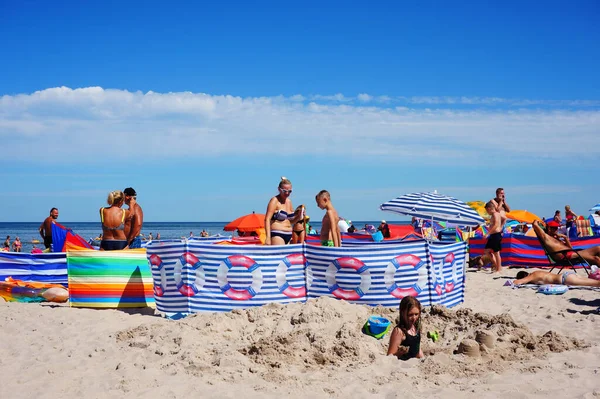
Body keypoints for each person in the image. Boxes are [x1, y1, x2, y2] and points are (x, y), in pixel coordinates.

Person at [532, 220, 600, 266]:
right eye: (555, 228)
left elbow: (570, 248)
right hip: (566, 257)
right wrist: (536, 221)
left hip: (572, 253)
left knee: (598, 248)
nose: (556, 230)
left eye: (557, 228)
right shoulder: (547, 238)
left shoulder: (556, 238)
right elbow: (535, 225)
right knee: (595, 259)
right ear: (549, 228)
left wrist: (565, 238)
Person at [265, 177, 302, 245]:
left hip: (288, 235)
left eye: (290, 191)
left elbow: (291, 221)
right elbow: (267, 219)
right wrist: (268, 237)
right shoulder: (274, 200)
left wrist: (299, 216)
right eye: (285, 191)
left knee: (286, 255)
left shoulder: (289, 201)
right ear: (279, 189)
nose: (287, 193)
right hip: (277, 234)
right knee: (279, 255)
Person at [513, 270, 600, 287]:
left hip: (564, 279)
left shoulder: (532, 276)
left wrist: (514, 281)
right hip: (567, 273)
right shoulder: (536, 272)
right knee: (595, 282)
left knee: (595, 284)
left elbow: (518, 282)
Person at [484, 201, 503, 273]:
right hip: (493, 235)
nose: (487, 212)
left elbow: (495, 225)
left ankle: (499, 268)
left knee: (496, 253)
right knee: (486, 251)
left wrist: (487, 233)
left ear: (489, 209)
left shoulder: (495, 214)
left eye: (486, 211)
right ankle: (496, 265)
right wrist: (501, 226)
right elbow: (504, 218)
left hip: (496, 235)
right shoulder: (496, 214)